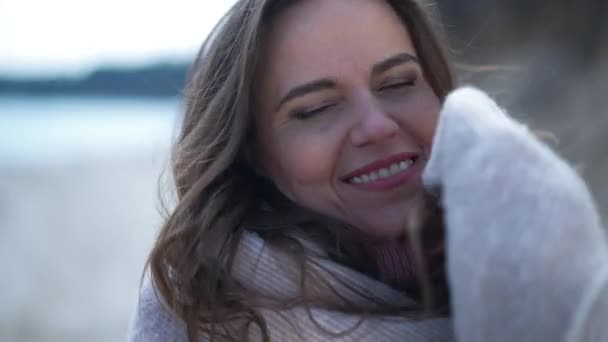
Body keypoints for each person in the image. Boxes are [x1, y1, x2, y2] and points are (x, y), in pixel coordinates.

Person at [128, 0, 608, 341]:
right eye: (315, 108)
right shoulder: (201, 311)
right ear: (254, 152)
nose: (376, 126)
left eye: (399, 81)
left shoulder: (532, 244)